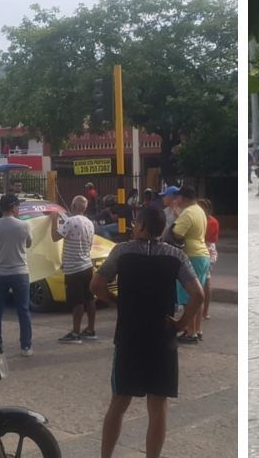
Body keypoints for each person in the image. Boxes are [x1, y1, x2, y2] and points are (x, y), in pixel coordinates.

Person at [92, 205, 203, 458]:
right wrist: (181, 324)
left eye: (135, 222)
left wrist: (116, 301)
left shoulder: (122, 252)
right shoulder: (176, 256)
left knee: (119, 402)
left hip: (129, 336)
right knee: (158, 405)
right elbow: (197, 294)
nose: (133, 225)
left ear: (141, 226)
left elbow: (96, 285)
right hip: (162, 337)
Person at [0, 193, 34, 356]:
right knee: (23, 310)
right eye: (18, 206)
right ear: (13, 207)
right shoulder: (24, 226)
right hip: (20, 273)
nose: (19, 209)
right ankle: (26, 346)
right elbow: (29, 243)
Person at [52, 196, 97, 344]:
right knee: (89, 298)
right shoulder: (89, 223)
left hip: (74, 268)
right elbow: (89, 245)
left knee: (77, 301)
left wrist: (54, 219)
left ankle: (75, 333)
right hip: (87, 265)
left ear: (73, 206)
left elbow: (54, 237)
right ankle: (90, 329)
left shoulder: (70, 222)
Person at [168, 186, 210, 343]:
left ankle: (190, 332)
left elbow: (178, 234)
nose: (176, 200)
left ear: (183, 198)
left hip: (191, 256)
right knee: (198, 295)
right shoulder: (198, 210)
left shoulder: (188, 213)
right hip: (201, 255)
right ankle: (197, 329)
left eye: (177, 197)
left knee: (189, 297)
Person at [198, 199, 218, 321]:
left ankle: (204, 311)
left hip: (206, 250)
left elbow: (210, 241)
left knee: (206, 281)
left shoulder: (212, 222)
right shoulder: (199, 219)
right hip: (199, 249)